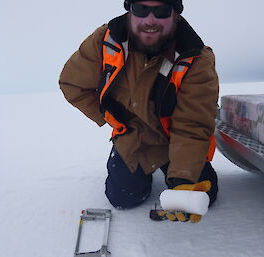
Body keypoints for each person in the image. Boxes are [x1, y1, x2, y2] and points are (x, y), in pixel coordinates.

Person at [59, 0, 219, 223]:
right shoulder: (104, 40)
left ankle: (175, 170)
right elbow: (73, 84)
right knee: (123, 198)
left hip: (175, 139)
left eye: (161, 10)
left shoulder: (196, 58)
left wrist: (183, 177)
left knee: (203, 195)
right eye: (141, 9)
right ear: (129, 11)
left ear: (175, 14)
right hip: (131, 136)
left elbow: (193, 123)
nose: (150, 20)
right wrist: (114, 119)